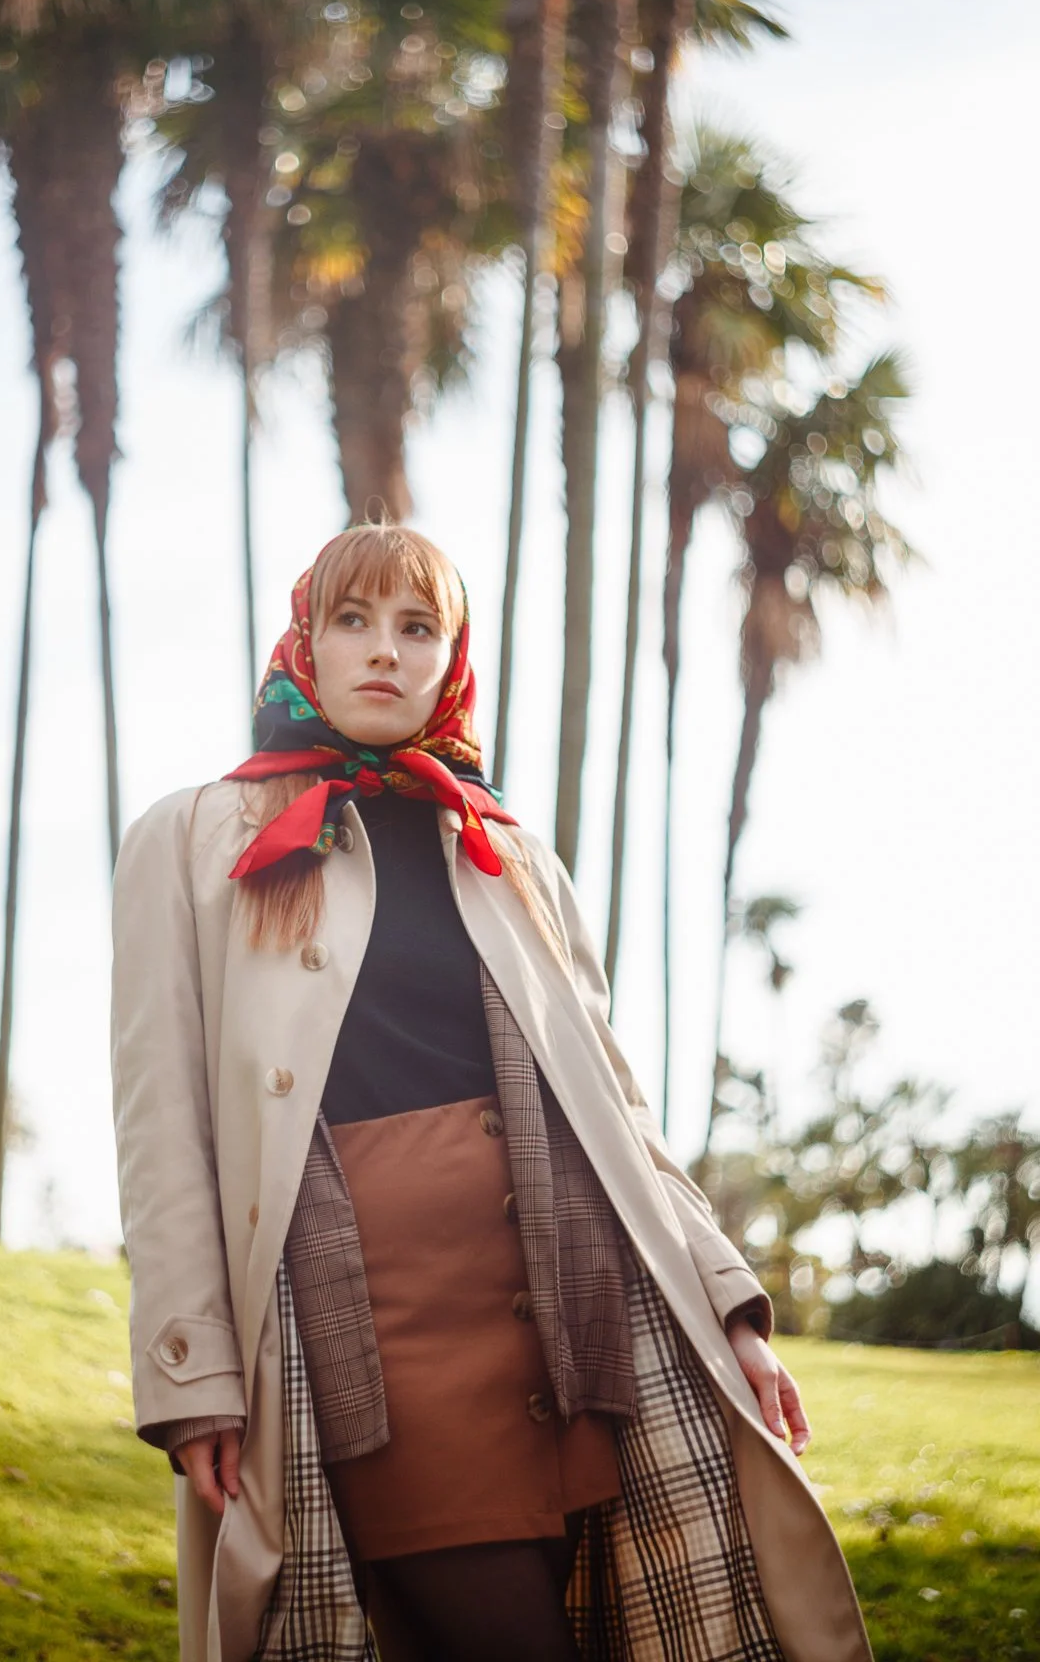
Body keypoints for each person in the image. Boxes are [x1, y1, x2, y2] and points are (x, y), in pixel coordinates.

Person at [110, 523, 872, 1662]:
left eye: (416, 628)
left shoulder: (508, 850)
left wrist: (728, 1309)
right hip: (367, 1332)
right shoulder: (192, 837)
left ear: (451, 655)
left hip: (567, 1324)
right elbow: (158, 1122)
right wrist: (193, 1373)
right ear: (303, 644)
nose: (384, 652)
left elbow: (616, 1107)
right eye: (353, 622)